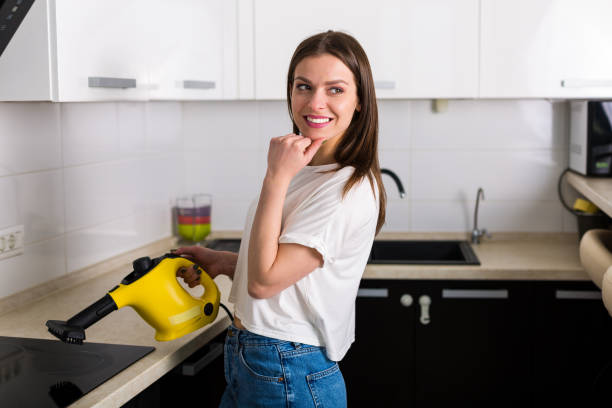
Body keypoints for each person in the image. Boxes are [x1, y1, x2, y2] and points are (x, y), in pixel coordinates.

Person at [174, 30, 387, 408]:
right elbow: (284, 270)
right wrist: (225, 263)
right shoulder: (308, 169)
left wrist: (275, 176)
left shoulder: (344, 188)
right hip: (259, 361)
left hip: (286, 366)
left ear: (359, 101)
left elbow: (264, 283)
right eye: (303, 86)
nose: (315, 102)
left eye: (335, 89)